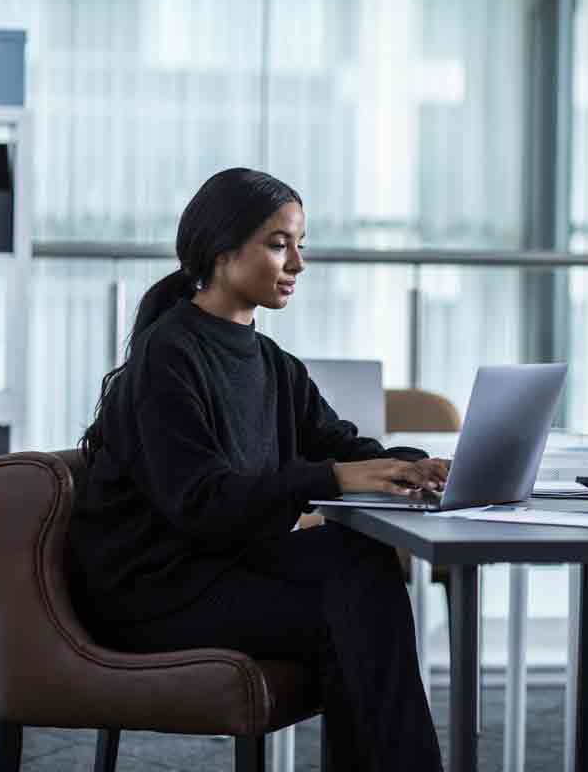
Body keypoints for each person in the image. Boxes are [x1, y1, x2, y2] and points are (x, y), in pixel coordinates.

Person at [68, 168, 447, 770]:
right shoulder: (169, 355)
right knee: (354, 606)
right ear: (221, 251)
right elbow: (201, 502)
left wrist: (420, 467)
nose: (297, 262)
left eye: (300, 243)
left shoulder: (271, 360)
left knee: (360, 568)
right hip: (155, 589)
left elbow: (337, 444)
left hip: (221, 566)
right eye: (279, 244)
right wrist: (335, 480)